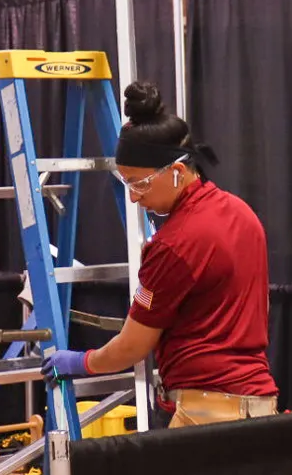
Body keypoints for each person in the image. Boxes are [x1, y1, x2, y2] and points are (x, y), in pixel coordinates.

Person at [42, 81, 278, 428]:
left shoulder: (173, 245)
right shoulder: (243, 214)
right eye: (127, 184)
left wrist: (81, 362)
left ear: (178, 172)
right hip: (259, 406)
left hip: (207, 413)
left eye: (139, 183)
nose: (134, 197)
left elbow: (131, 347)